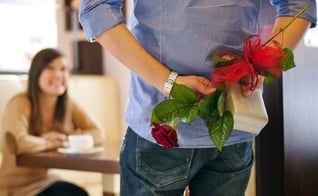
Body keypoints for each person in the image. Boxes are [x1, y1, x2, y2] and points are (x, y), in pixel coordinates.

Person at [79, 1, 317, 195]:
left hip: (176, 123)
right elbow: (298, 6)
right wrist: (258, 66)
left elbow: (95, 9)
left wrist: (167, 81)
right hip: (230, 119)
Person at [0, 48, 104, 196]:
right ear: (36, 73)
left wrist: (67, 138)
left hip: (43, 181)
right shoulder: (21, 102)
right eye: (50, 68)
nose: (58, 75)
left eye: (63, 69)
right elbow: (18, 142)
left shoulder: (67, 104)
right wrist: (53, 142)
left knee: (79, 194)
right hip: (13, 188)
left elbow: (98, 133)